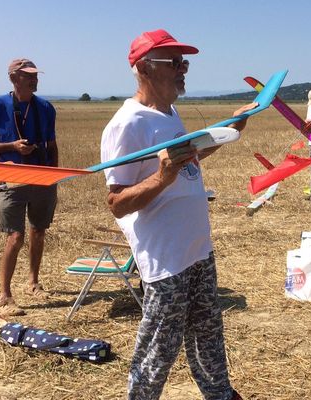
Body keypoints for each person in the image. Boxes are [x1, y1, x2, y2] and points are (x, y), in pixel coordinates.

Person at [100, 29, 249, 400]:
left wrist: (228, 130)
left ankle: (221, 395)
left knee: (209, 338)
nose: (184, 69)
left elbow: (186, 160)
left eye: (185, 62)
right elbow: (116, 201)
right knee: (158, 352)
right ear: (144, 69)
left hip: (197, 249)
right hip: (165, 261)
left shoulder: (169, 112)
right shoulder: (127, 123)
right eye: (175, 62)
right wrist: (162, 176)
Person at [0, 58, 58, 316]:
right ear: (13, 78)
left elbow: (52, 144)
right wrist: (13, 146)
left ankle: (33, 283)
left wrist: (53, 175)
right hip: (11, 179)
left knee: (39, 231)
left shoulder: (46, 108)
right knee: (15, 236)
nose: (34, 79)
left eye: (35, 75)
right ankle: (5, 295)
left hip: (42, 176)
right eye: (28, 75)